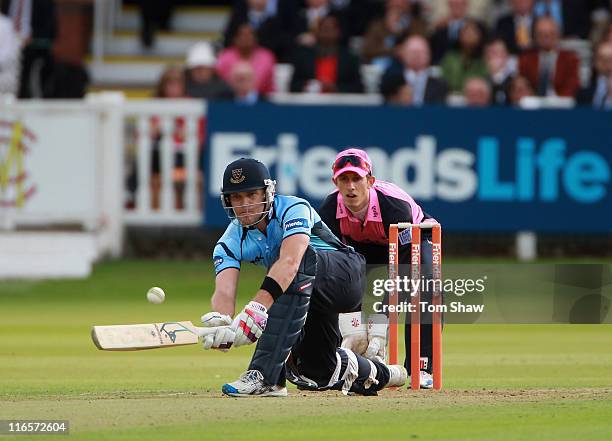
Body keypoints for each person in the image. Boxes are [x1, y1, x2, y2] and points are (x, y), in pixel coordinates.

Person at [200, 158, 407, 397]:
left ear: (268, 193)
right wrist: (222, 322)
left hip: (345, 277)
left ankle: (265, 377)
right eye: (237, 197)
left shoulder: (293, 208)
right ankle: (385, 373)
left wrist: (256, 310)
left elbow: (291, 261)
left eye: (252, 195)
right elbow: (224, 290)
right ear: (227, 200)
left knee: (290, 262)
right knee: (317, 369)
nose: (245, 204)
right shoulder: (229, 241)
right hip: (305, 294)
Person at [318, 148, 439, 389]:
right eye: (344, 179)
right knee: (329, 287)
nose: (350, 186)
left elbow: (405, 269)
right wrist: (354, 324)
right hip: (361, 246)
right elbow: (334, 270)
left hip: (413, 240)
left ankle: (422, 367)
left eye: (356, 179)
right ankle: (334, 364)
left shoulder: (394, 206)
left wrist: (380, 320)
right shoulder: (330, 209)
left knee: (424, 287)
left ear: (370, 181)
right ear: (335, 182)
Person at [289, 13, 363, 93]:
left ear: (338, 32)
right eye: (324, 29)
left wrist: (336, 89)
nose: (327, 33)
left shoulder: (350, 58)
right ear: (318, 32)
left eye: (331, 29)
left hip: (340, 103)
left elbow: (358, 87)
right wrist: (307, 86)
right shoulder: (303, 56)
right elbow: (293, 86)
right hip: (310, 101)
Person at [518, 16, 579, 97]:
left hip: (561, 105)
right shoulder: (526, 60)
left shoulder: (570, 59)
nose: (546, 38)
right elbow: (522, 86)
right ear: (535, 36)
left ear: (558, 35)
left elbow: (573, 86)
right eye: (542, 34)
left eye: (551, 33)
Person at [380, 34, 448, 106]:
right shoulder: (390, 80)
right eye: (413, 52)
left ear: (429, 55)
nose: (417, 56)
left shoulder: (440, 85)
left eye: (421, 52)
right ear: (403, 54)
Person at [216, 23, 276, 95]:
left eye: (249, 34)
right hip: (230, 100)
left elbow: (260, 84)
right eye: (242, 34)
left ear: (255, 38)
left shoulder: (266, 57)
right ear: (235, 38)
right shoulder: (225, 56)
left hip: (263, 100)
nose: (246, 38)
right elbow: (224, 82)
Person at [440, 18, 488, 93]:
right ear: (459, 35)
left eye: (473, 32)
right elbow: (443, 80)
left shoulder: (484, 59)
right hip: (451, 97)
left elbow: (486, 81)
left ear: (479, 36)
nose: (469, 35)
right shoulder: (450, 58)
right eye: (466, 32)